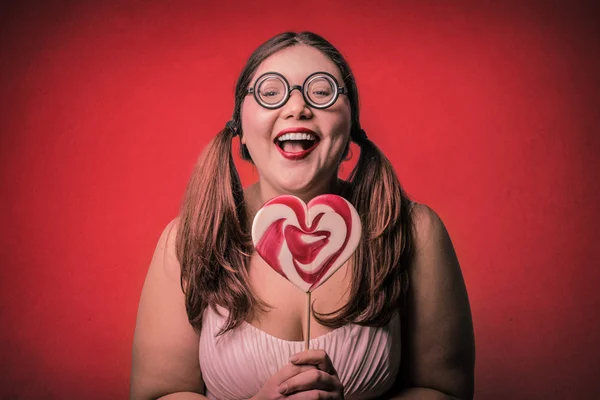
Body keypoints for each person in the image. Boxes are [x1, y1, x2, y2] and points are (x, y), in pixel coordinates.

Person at [130, 31, 475, 400]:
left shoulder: (415, 232)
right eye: (271, 92)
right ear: (241, 130)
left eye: (322, 91)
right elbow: (157, 394)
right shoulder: (189, 239)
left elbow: (445, 390)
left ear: (350, 129)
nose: (297, 108)